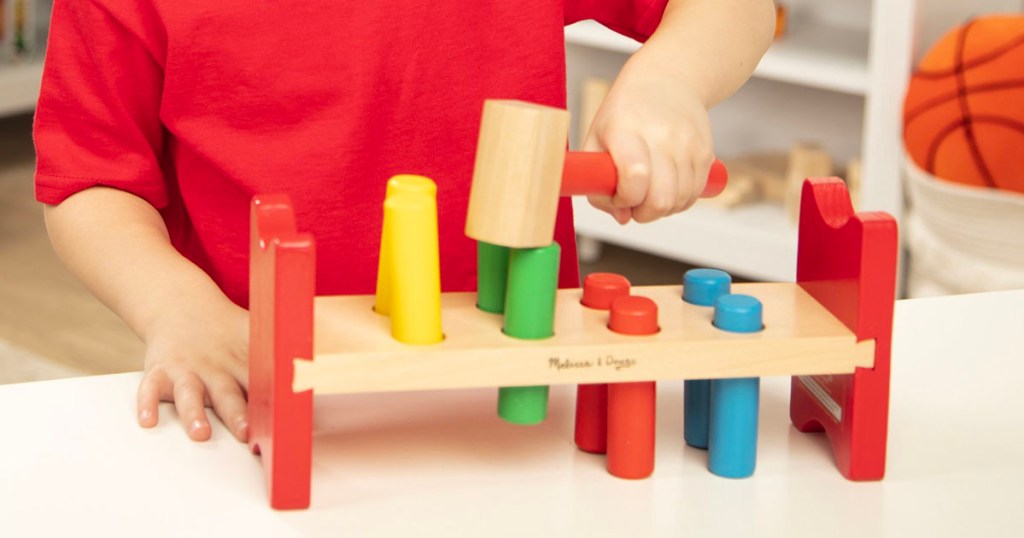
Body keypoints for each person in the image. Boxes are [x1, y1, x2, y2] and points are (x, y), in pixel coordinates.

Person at [34, 0, 775, 442]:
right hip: (260, 398)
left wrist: (670, 81)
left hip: (511, 396)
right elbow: (89, 182)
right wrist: (175, 304)